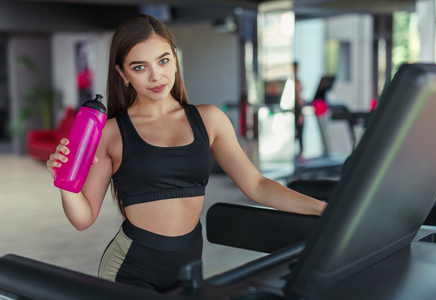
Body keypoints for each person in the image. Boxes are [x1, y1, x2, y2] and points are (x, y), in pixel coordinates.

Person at [46, 14, 326, 294]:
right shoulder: (110, 133)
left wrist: (322, 209)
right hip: (129, 270)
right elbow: (83, 219)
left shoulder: (209, 119)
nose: (156, 76)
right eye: (140, 67)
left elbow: (257, 185)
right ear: (123, 74)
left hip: (189, 266)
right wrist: (64, 181)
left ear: (176, 59)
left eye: (163, 60)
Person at [293, 61, 306, 160]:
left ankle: (300, 154)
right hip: (297, 109)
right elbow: (298, 99)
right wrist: (300, 113)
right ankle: (300, 154)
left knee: (298, 132)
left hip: (296, 108)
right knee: (299, 132)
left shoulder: (296, 81)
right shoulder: (295, 82)